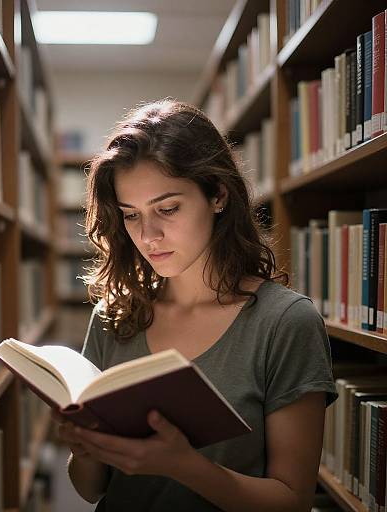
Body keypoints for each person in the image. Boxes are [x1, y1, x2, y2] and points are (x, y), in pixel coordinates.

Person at [52, 99, 338, 511]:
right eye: (131, 215)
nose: (149, 235)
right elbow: (92, 490)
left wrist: (183, 466)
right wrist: (85, 450)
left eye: (167, 208)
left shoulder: (285, 323)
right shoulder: (113, 318)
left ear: (218, 195)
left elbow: (291, 501)